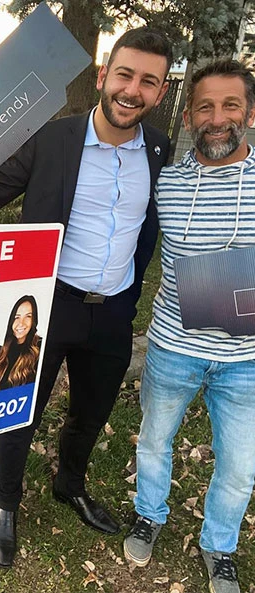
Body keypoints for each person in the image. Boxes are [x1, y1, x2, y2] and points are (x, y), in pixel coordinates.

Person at [0, 27, 173, 567]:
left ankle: (70, 485)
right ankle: (6, 503)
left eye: (148, 81)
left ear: (161, 92)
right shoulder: (52, 139)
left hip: (114, 310)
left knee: (90, 413)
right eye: (124, 74)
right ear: (103, 76)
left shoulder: (159, 149)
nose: (132, 90)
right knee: (20, 411)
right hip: (47, 305)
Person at [123, 60, 255, 593]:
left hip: (247, 359)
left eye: (230, 106)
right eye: (205, 107)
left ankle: (219, 544)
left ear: (250, 113)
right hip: (173, 347)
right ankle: (149, 513)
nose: (217, 118)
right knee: (155, 440)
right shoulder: (168, 184)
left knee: (241, 466)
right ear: (187, 117)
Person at [0, 295, 42, 393]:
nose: (21, 323)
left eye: (28, 316)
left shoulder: (39, 348)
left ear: (34, 320)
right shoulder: (2, 353)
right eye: (17, 317)